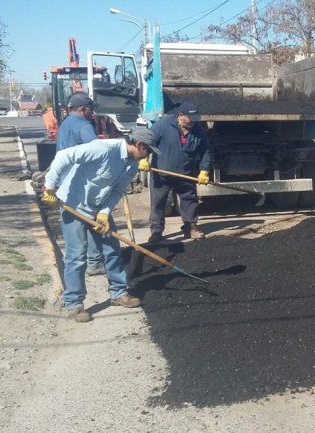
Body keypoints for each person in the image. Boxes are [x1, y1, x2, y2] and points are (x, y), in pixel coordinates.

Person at [40, 128, 161, 322]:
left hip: (98, 210)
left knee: (112, 250)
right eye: (149, 151)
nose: (148, 156)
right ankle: (74, 304)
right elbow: (64, 156)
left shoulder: (131, 166)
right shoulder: (102, 148)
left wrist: (104, 213)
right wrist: (50, 186)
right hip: (73, 206)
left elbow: (116, 192)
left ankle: (118, 293)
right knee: (77, 256)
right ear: (139, 145)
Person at [142, 101, 212, 243]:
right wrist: (144, 158)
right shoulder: (163, 125)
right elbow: (147, 140)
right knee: (158, 203)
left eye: (195, 119)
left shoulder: (197, 130)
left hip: (186, 173)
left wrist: (204, 170)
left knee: (189, 201)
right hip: (161, 173)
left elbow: (206, 150)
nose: (193, 122)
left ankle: (190, 227)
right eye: (190, 119)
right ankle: (156, 231)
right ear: (181, 115)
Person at [55, 92, 105, 275]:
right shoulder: (84, 126)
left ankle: (80, 263)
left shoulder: (65, 124)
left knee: (74, 228)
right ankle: (94, 263)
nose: (93, 113)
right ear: (84, 109)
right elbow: (97, 153)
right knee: (92, 222)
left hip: (65, 184)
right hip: (82, 184)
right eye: (91, 110)